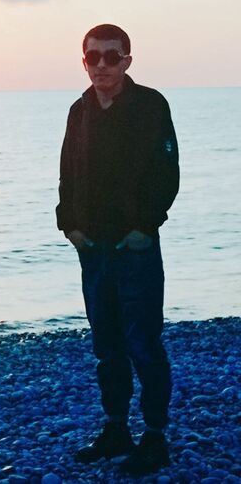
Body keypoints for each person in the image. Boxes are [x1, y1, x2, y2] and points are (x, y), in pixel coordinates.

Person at [56, 24, 179, 476]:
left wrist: (146, 227)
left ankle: (155, 436)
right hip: (93, 248)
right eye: (94, 57)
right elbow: (67, 172)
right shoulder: (80, 110)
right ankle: (116, 429)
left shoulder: (150, 105)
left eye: (112, 56)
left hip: (135, 247)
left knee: (143, 343)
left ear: (127, 60)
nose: (102, 65)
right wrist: (69, 224)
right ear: (83, 61)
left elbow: (167, 171)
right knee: (106, 345)